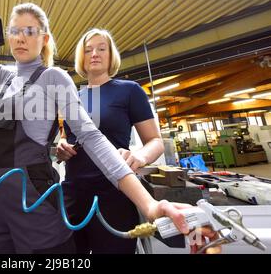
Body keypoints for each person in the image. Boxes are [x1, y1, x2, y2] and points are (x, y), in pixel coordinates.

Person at [0, 0, 214, 254]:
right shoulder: (5, 77)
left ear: (44, 38)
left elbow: (91, 136)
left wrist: (149, 204)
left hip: (34, 196)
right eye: (15, 31)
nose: (20, 38)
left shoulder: (53, 78)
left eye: (30, 31)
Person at [57, 28, 220, 254]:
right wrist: (62, 146)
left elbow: (155, 140)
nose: (94, 53)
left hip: (115, 192)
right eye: (88, 50)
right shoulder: (72, 96)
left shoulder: (129, 91)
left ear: (111, 55)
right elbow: (67, 136)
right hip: (73, 193)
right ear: (81, 58)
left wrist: (139, 156)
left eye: (101, 49)